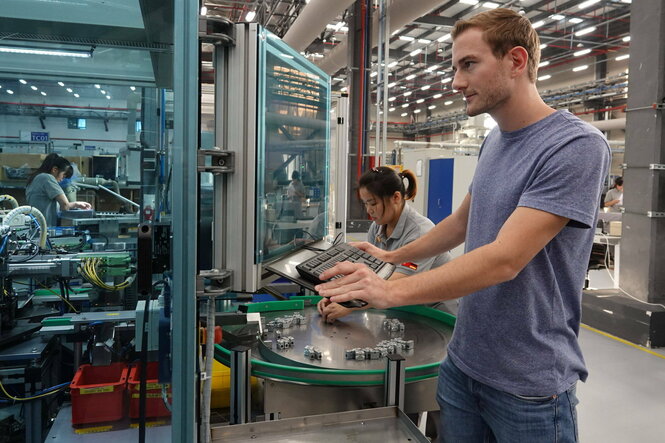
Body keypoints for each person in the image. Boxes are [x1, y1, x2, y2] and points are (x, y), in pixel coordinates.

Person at [317, 9, 610, 442]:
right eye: (455, 67)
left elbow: (504, 259)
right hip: (463, 364)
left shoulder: (575, 146)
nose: (455, 82)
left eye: (468, 65)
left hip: (527, 384)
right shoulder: (494, 140)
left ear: (516, 61)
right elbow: (461, 222)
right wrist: (391, 255)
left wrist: (387, 291)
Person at [318, 167, 451, 322]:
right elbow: (369, 272)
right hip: (403, 308)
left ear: (396, 197)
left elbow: (403, 281)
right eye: (365, 204)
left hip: (435, 312)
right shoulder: (377, 227)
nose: (369, 210)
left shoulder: (420, 231)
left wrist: (351, 304)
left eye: (373, 203)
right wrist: (338, 295)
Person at [26, 153, 92, 227]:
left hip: (36, 228)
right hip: (45, 229)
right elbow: (65, 205)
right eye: (63, 175)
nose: (62, 179)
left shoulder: (35, 178)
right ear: (55, 169)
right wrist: (77, 204)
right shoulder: (47, 178)